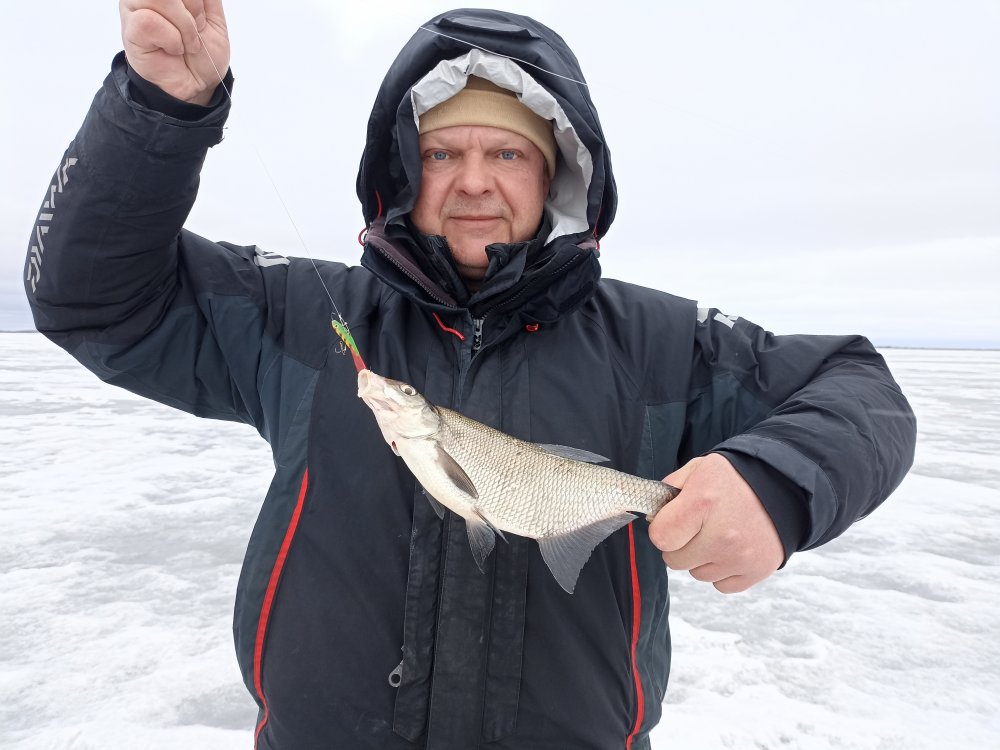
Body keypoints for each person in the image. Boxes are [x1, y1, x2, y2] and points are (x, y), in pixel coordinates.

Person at [25, 1, 916, 748]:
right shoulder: (304, 316)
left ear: (557, 173)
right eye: (442, 154)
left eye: (509, 154)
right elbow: (92, 299)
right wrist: (159, 110)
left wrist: (775, 482)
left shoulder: (660, 342)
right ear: (403, 172)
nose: (474, 182)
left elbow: (858, 388)